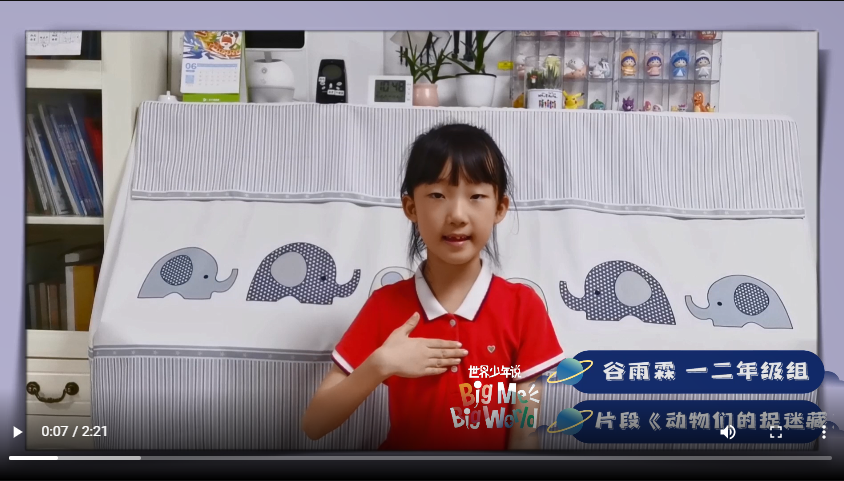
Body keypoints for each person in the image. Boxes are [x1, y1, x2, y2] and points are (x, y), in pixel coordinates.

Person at [301, 123, 565, 451]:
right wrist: (380, 365)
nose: (457, 215)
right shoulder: (385, 305)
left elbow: (525, 432)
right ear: (411, 207)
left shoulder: (523, 307)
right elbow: (315, 424)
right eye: (438, 195)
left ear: (500, 208)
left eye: (476, 196)